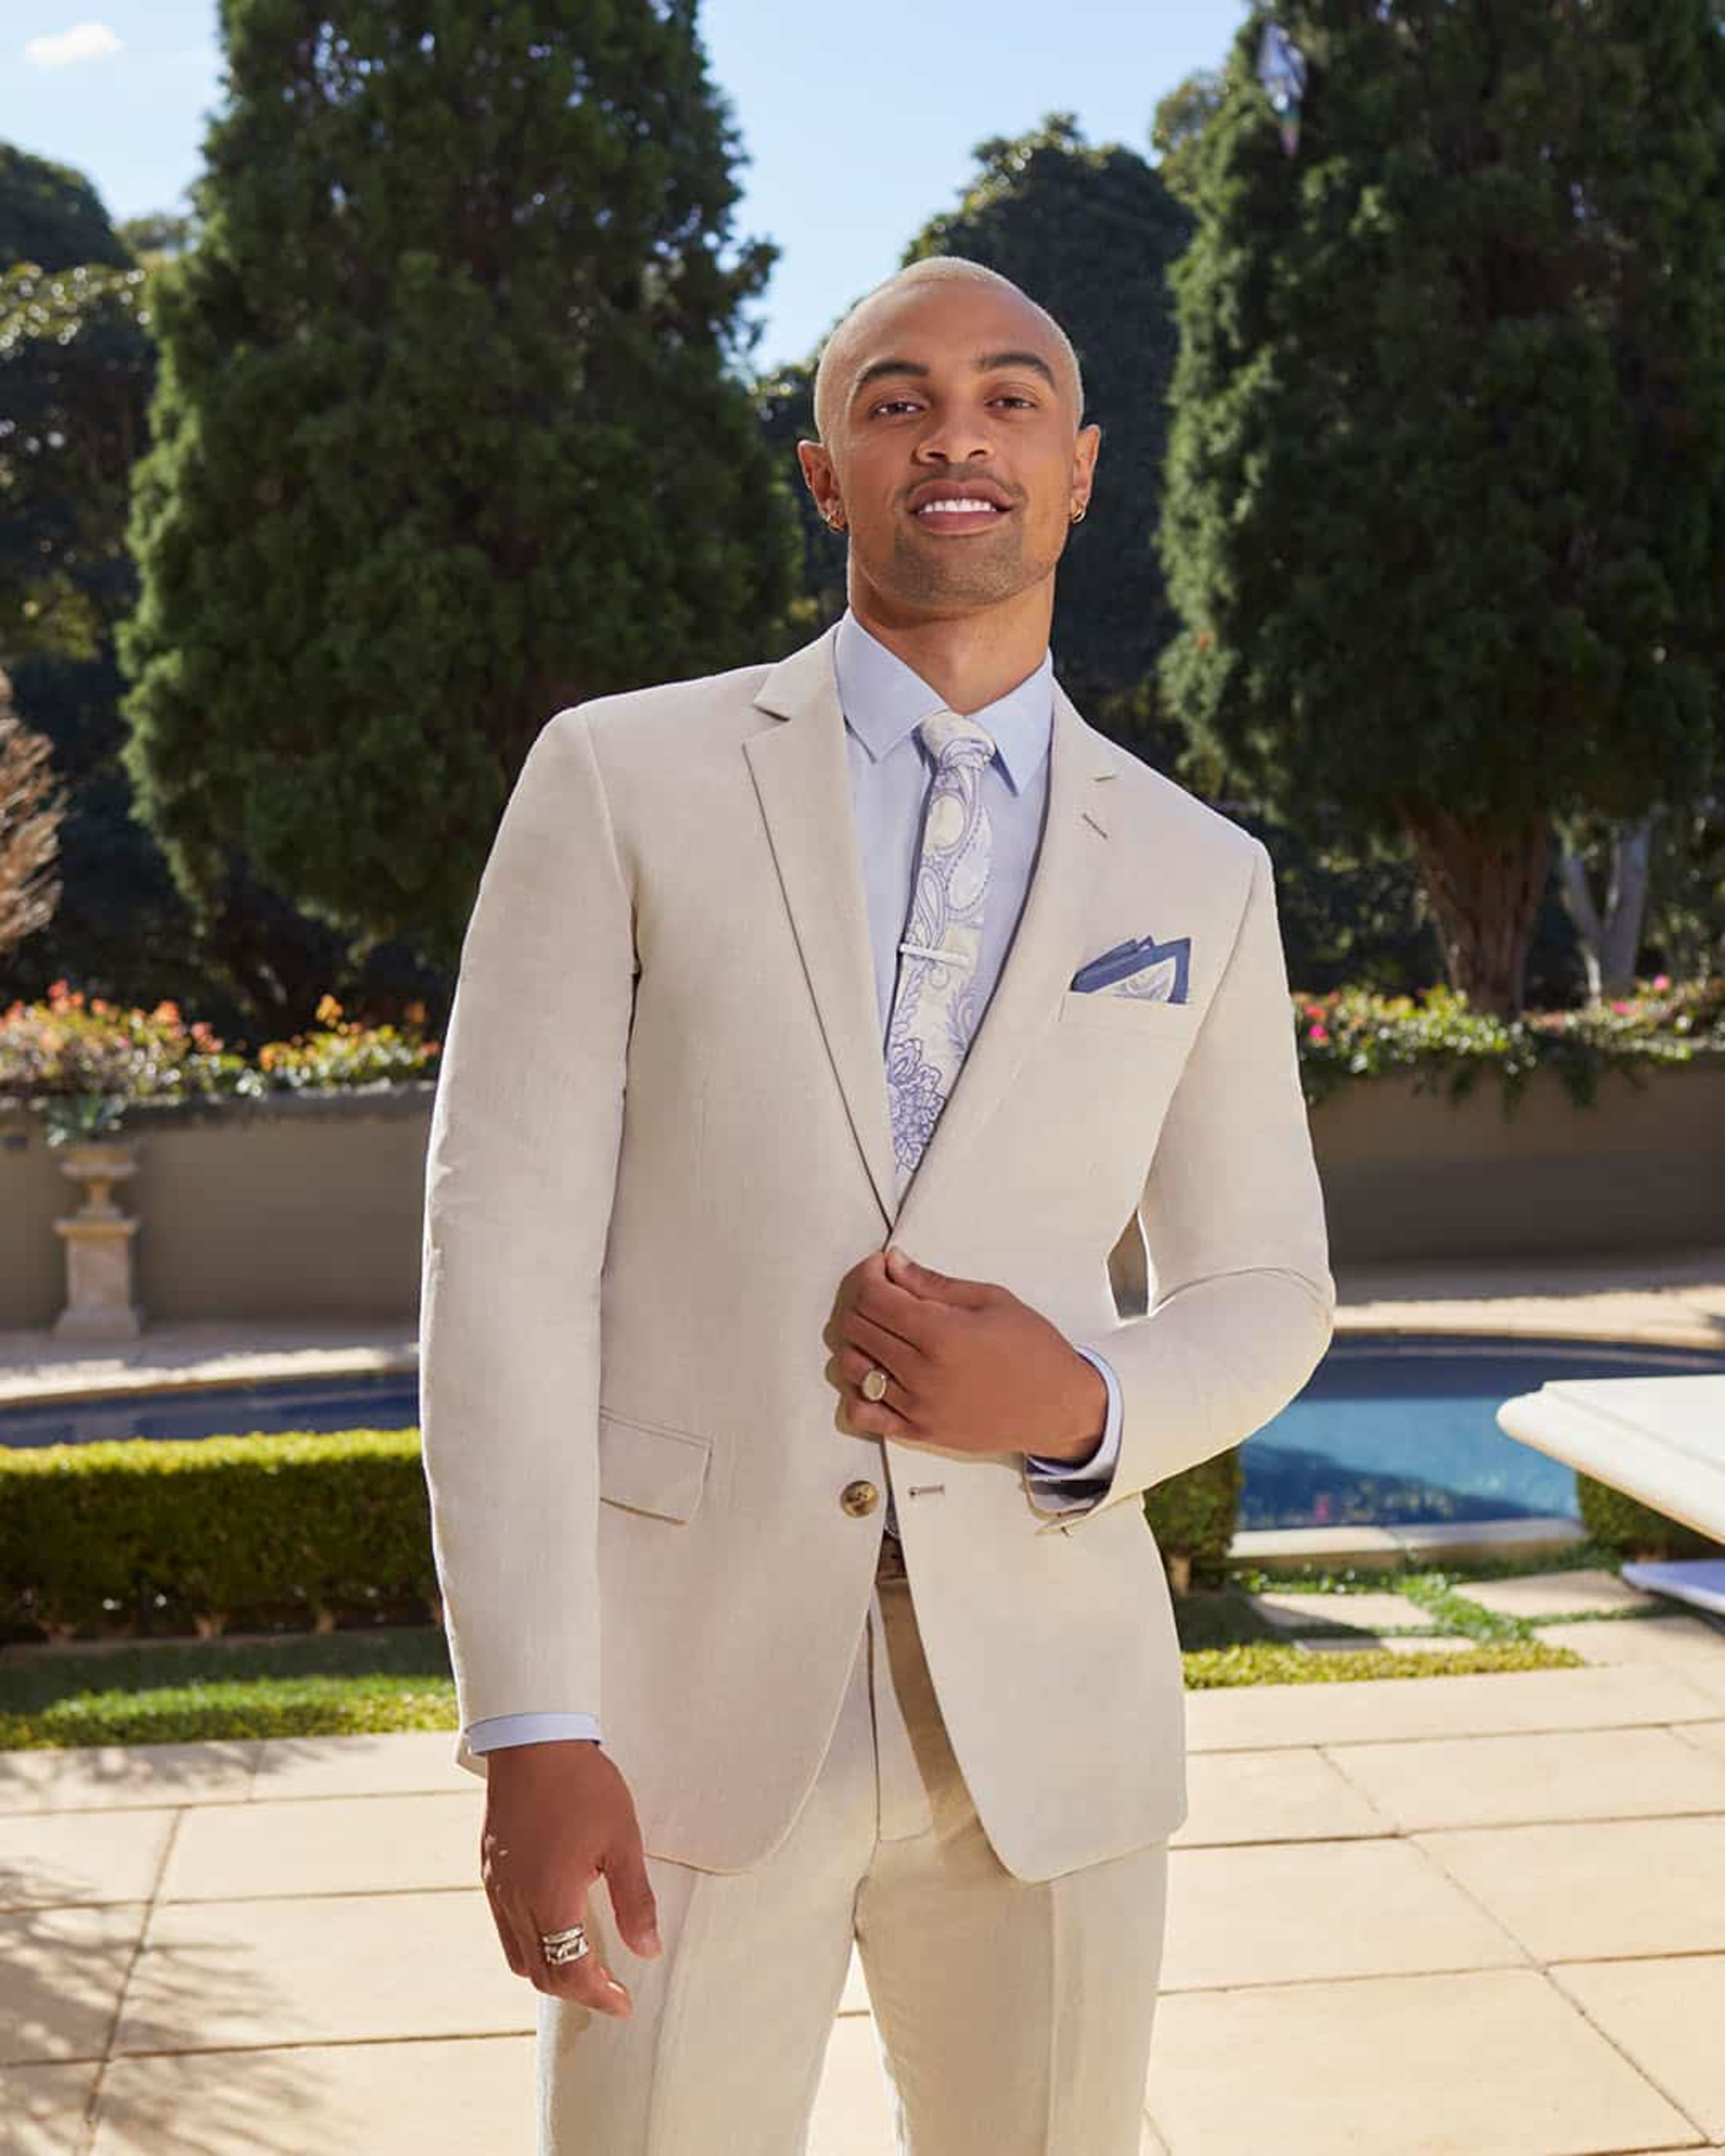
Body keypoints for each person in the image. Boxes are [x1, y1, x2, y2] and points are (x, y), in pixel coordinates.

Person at [417, 254, 1335, 2155]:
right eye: (897, 396)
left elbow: (1262, 1289)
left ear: (1079, 468)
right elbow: (498, 1259)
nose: (956, 433)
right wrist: (526, 1720)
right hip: (677, 1704)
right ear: (825, 472)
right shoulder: (619, 776)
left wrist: (1077, 1406)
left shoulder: (1199, 867)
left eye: (1009, 397)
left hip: (1053, 1721)